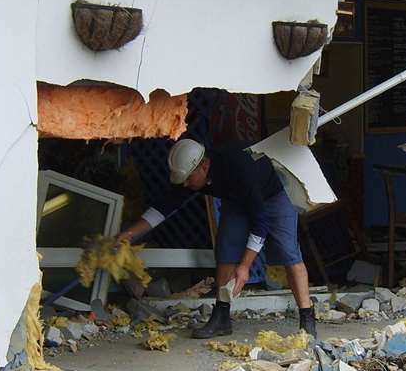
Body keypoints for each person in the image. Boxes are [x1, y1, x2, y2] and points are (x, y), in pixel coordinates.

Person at [116, 138, 315, 339]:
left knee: (288, 252)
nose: (185, 184)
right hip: (236, 199)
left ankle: (307, 318)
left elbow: (260, 223)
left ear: (204, 166)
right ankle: (221, 316)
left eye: (188, 179)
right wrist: (130, 233)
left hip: (271, 196)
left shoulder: (237, 167)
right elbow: (165, 206)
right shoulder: (193, 172)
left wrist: (245, 266)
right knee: (226, 250)